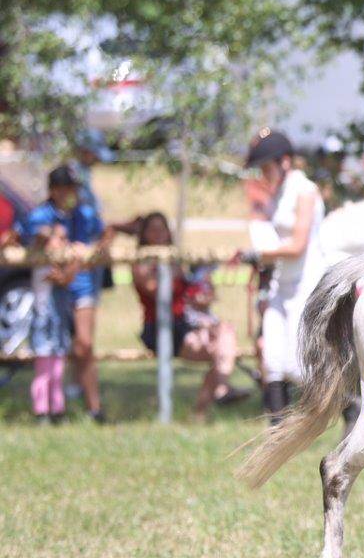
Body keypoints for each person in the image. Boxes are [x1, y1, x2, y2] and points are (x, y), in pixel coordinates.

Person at [237, 128, 326, 421]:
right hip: (281, 283)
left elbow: (298, 246)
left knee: (296, 367)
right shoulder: (279, 191)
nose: (263, 174)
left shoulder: (305, 191)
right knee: (271, 359)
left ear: (284, 161)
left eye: (266, 167)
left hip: (305, 283)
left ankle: (351, 404)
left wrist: (259, 255)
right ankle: (276, 431)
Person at [132, 212, 247, 421]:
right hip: (161, 328)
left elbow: (188, 294)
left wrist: (201, 296)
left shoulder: (176, 260)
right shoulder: (141, 263)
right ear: (144, 234)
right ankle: (213, 398)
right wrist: (174, 272)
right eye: (153, 229)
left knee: (225, 333)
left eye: (162, 229)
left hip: (186, 323)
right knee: (219, 350)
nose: (158, 234)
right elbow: (155, 290)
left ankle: (210, 401)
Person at [18, 165, 111, 423]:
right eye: (66, 189)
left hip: (82, 285)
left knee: (84, 344)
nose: (72, 194)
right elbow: (31, 238)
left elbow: (104, 235)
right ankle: (50, 406)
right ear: (54, 191)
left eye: (74, 189)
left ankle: (93, 407)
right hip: (53, 289)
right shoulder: (41, 215)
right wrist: (51, 237)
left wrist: (91, 253)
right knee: (51, 346)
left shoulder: (86, 214)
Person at [66, 128, 115, 408]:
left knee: (83, 335)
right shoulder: (75, 177)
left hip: (89, 265)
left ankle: (78, 386)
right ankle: (77, 389)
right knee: (80, 336)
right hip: (78, 267)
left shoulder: (85, 176)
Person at [24, 222, 77, 424]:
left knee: (57, 371)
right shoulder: (40, 261)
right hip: (44, 324)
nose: (64, 242)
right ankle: (41, 410)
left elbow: (68, 277)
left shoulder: (64, 266)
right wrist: (44, 235)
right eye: (60, 238)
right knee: (44, 371)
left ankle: (57, 409)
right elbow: (37, 242)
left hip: (59, 324)